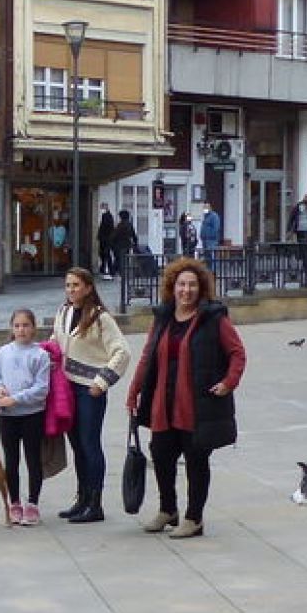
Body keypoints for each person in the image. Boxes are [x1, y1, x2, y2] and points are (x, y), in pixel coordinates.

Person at [125, 257, 246, 540]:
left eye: (192, 285)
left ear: (201, 288)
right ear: (172, 287)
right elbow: (147, 356)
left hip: (196, 405)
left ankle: (194, 518)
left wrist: (229, 383)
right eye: (181, 284)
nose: (186, 290)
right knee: (161, 454)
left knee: (196, 460)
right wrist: (134, 391)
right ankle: (169, 510)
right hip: (163, 403)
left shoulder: (214, 318)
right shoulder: (163, 317)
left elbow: (237, 353)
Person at [54, 267, 130, 524]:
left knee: (89, 444)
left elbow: (122, 352)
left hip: (89, 390)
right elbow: (56, 342)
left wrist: (102, 382)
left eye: (76, 285)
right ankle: (83, 498)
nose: (71, 290)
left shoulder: (100, 318)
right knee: (76, 445)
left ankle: (95, 504)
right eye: (68, 285)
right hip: (67, 387)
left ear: (88, 288)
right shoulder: (63, 312)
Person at [0, 308, 50, 526]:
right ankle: (14, 502)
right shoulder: (4, 351)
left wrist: (16, 399)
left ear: (33, 328)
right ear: (11, 328)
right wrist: (0, 389)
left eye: (26, 325)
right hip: (8, 416)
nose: (21, 330)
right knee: (11, 460)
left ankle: (32, 503)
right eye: (17, 326)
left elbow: (41, 389)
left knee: (33, 459)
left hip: (32, 415)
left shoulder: (40, 355)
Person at [110, 209, 140, 280]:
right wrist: (135, 244)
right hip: (126, 245)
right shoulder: (129, 225)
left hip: (119, 245)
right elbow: (134, 235)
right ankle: (117, 273)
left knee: (119, 260)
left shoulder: (120, 225)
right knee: (122, 260)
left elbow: (114, 236)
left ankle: (116, 274)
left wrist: (111, 244)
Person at [97, 204, 118, 279]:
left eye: (102, 208)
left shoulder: (106, 216)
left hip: (105, 239)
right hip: (106, 239)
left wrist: (101, 236)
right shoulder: (108, 216)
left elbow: (105, 228)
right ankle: (106, 269)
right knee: (105, 254)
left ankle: (108, 270)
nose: (101, 209)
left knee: (105, 254)